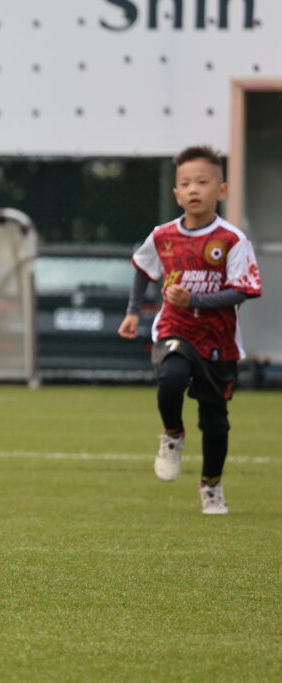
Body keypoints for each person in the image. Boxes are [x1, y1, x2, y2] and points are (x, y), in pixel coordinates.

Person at [118, 145, 261, 514]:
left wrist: (194, 299)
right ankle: (172, 433)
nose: (194, 189)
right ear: (176, 193)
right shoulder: (163, 235)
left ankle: (211, 485)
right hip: (174, 328)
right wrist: (133, 311)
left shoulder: (231, 239)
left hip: (219, 341)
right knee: (171, 378)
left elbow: (244, 290)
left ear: (221, 190)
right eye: (185, 183)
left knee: (215, 423)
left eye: (202, 181)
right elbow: (143, 268)